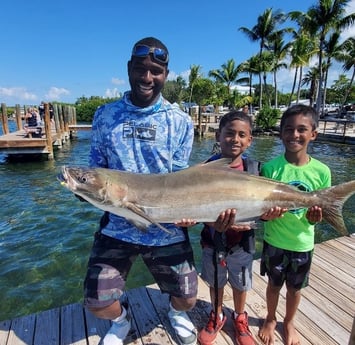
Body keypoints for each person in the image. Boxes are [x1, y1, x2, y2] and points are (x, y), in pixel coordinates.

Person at [84, 37, 199, 345]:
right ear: (129, 69)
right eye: (140, 69)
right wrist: (83, 190)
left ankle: (176, 313)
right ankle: (121, 319)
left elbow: (180, 179)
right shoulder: (105, 116)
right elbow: (96, 170)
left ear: (165, 74)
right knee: (96, 303)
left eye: (155, 71)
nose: (147, 78)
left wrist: (192, 212)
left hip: (166, 228)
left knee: (188, 299)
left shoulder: (180, 122)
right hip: (118, 225)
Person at [258, 104, 331, 345]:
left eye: (302, 129)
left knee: (295, 289)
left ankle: (288, 322)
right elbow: (261, 210)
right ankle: (270, 318)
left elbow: (319, 211)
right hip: (274, 240)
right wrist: (266, 216)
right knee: (273, 284)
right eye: (288, 129)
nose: (294, 135)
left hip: (302, 242)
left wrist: (317, 217)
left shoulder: (322, 171)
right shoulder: (270, 168)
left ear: (314, 134)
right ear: (280, 133)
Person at [197, 111, 259, 345]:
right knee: (215, 281)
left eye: (242, 135)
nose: (235, 139)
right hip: (212, 240)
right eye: (229, 133)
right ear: (218, 136)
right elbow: (193, 203)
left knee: (240, 283)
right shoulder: (203, 170)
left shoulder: (255, 169)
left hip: (242, 242)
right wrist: (210, 222)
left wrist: (271, 215)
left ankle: (240, 317)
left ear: (249, 140)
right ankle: (217, 313)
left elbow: (261, 210)